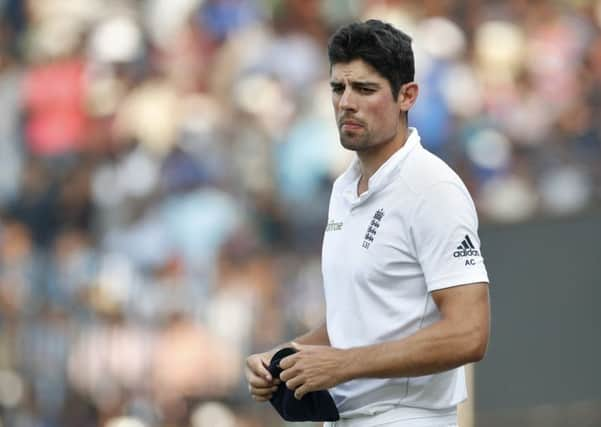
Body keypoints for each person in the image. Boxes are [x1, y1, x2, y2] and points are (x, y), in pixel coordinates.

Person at [245, 19, 490, 427]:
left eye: (365, 89)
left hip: (408, 418)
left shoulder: (432, 188)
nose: (346, 103)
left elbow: (470, 332)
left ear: (406, 96)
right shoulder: (344, 189)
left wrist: (343, 365)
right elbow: (357, 322)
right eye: (338, 88)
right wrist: (284, 357)